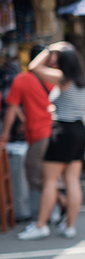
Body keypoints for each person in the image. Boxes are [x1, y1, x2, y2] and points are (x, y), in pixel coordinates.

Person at [16, 42, 85, 240]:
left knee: (50, 181)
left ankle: (41, 225)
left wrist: (49, 49)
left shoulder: (62, 78)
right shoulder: (84, 80)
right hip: (79, 130)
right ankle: (70, 226)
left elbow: (33, 67)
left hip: (62, 131)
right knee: (72, 181)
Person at [0, 44, 52, 221]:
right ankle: (54, 212)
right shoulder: (55, 78)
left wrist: (5, 134)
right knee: (49, 175)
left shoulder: (22, 79)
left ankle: (55, 209)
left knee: (37, 177)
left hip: (40, 134)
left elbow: (11, 109)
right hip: (56, 133)